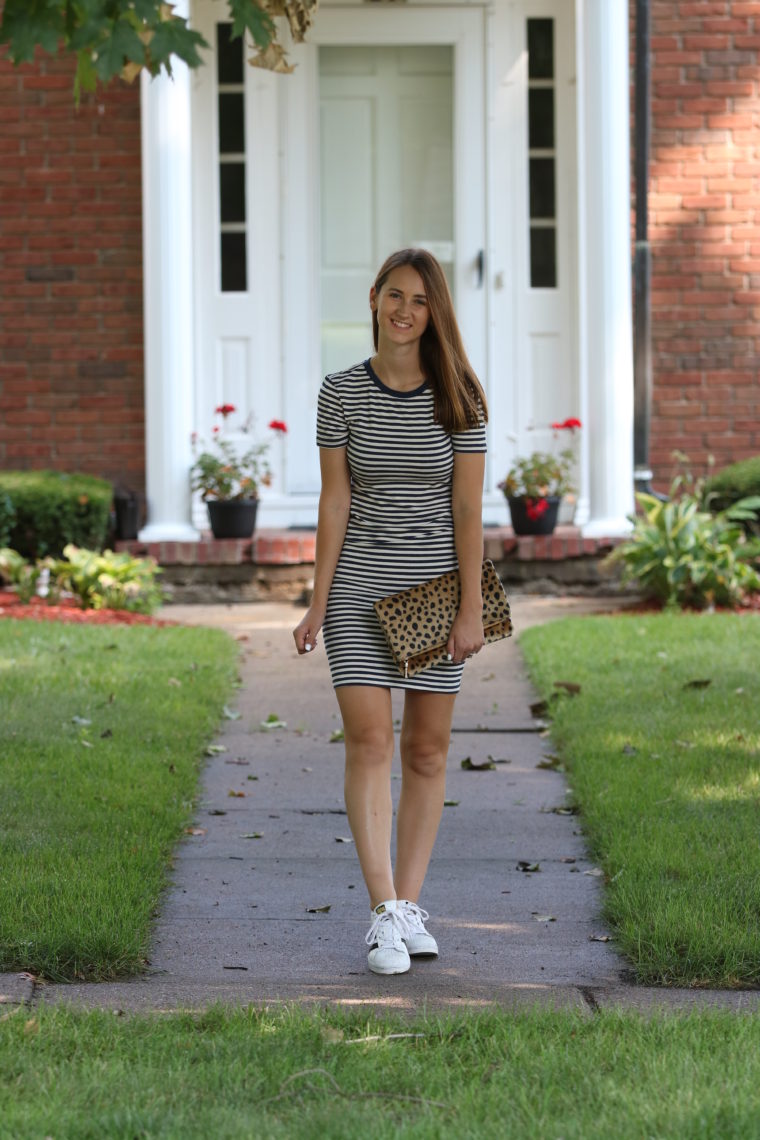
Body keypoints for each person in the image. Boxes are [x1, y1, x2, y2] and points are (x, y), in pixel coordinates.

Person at [293, 248, 488, 975]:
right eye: (395, 296)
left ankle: (409, 905)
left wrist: (470, 608)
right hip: (358, 588)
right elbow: (334, 498)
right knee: (370, 741)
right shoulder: (340, 391)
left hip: (435, 590)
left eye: (420, 300)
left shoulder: (459, 391)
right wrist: (317, 602)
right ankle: (381, 914)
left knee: (428, 751)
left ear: (435, 312)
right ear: (373, 298)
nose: (406, 310)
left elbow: (467, 507)